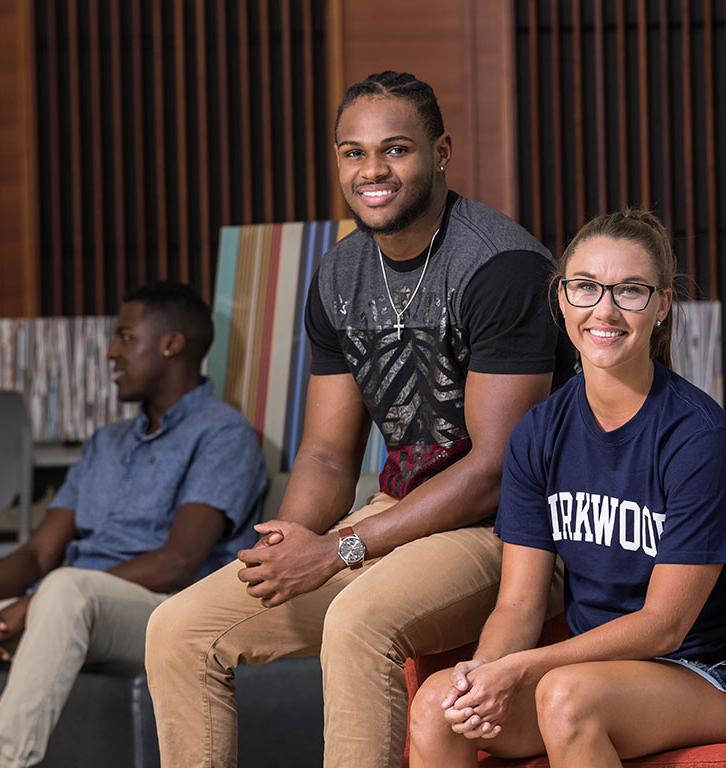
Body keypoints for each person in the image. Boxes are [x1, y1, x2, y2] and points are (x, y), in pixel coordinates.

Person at [144, 71, 572, 768]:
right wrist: (289, 538)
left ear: (440, 153)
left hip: (506, 533)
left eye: (395, 149)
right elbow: (325, 454)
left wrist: (343, 550)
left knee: (357, 619)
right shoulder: (339, 274)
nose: (372, 170)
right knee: (177, 629)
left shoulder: (502, 266)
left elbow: (494, 469)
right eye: (353, 152)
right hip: (394, 514)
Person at [407, 210, 726, 767]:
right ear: (562, 298)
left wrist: (523, 669)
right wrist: (486, 671)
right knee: (436, 704)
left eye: (631, 291)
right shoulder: (540, 432)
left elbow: (665, 626)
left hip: (702, 673)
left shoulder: (699, 440)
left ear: (662, 305)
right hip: (582, 675)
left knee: (567, 700)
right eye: (587, 287)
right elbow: (519, 604)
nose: (605, 310)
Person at [0, 281, 267, 768]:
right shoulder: (105, 443)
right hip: (63, 607)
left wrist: (34, 604)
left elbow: (179, 563)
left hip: (159, 612)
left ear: (171, 344)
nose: (111, 352)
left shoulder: (224, 434)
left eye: (124, 336)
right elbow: (38, 552)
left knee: (64, 591)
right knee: (50, 592)